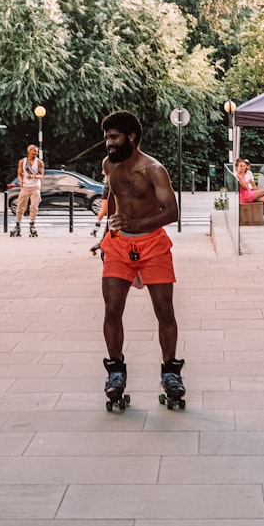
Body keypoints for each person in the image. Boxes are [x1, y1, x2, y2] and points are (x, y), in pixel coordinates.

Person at [99, 110, 185, 408]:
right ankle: (115, 371)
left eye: (114, 137)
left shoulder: (154, 169)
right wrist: (106, 234)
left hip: (153, 246)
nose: (108, 143)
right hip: (119, 247)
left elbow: (172, 212)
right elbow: (112, 197)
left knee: (164, 310)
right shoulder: (109, 165)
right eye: (107, 137)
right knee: (112, 309)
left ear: (131, 137)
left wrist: (137, 225)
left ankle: (171, 371)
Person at [10, 144, 44, 237]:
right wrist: (20, 181)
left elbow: (41, 175)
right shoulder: (22, 162)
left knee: (34, 206)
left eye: (37, 151)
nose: (36, 153)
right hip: (25, 187)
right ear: (29, 151)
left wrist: (34, 176)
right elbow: (19, 174)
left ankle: (32, 224)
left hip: (35, 187)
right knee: (20, 206)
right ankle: (18, 224)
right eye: (34, 151)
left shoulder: (39, 162)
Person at [234, 158, 264, 223]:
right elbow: (245, 187)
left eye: (243, 166)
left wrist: (250, 183)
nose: (243, 168)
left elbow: (252, 185)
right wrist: (248, 182)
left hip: (249, 193)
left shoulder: (243, 174)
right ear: (236, 167)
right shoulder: (237, 175)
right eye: (241, 166)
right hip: (245, 196)